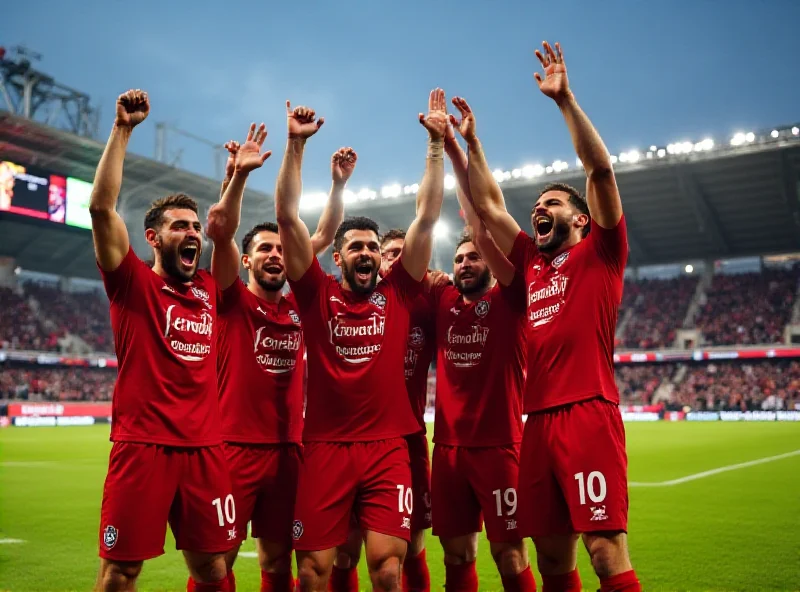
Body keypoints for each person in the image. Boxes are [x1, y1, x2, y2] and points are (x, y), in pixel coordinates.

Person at [451, 41, 640, 592]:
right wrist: (471, 144)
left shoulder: (601, 253)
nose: (541, 207)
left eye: (553, 202)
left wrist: (564, 100)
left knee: (605, 552)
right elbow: (487, 206)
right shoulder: (530, 264)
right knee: (553, 560)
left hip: (587, 412)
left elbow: (600, 170)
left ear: (581, 219)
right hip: (537, 423)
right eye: (537, 203)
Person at [273, 90, 448, 592]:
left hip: (387, 448)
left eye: (373, 246)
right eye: (357, 247)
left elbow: (427, 217)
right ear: (339, 258)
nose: (368, 252)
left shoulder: (399, 291)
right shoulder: (315, 293)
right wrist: (295, 146)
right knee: (312, 572)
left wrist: (435, 146)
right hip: (324, 447)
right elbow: (288, 220)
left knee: (388, 570)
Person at [200, 119, 357, 592]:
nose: (274, 255)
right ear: (246, 260)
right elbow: (222, 231)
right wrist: (237, 178)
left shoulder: (296, 306)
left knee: (277, 559)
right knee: (216, 561)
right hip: (232, 448)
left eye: (279, 249)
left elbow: (325, 234)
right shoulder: (230, 297)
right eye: (263, 249)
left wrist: (337, 185)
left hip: (290, 451)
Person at [90, 89, 235, 592]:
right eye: (179, 226)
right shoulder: (132, 283)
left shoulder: (213, 290)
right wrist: (124, 130)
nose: (192, 232)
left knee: (214, 570)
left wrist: (235, 181)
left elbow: (228, 229)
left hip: (205, 451)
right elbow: (102, 209)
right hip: (142, 448)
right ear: (152, 238)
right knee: (120, 574)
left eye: (196, 226)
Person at [421, 122, 536, 592]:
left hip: (501, 449)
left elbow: (479, 221)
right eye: (460, 258)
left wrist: (457, 152)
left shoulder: (511, 299)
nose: (466, 262)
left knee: (509, 554)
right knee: (455, 553)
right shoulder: (442, 298)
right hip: (447, 451)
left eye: (475, 256)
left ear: (492, 262)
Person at [328, 228, 438, 592]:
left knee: (409, 550)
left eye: (402, 255)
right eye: (389, 253)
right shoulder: (348, 302)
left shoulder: (425, 304)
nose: (395, 260)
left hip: (407, 440)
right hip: (350, 440)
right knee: (345, 550)